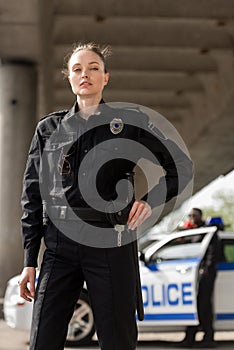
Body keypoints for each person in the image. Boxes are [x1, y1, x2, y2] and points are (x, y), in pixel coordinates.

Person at [18, 42, 193, 350]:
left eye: (93, 68)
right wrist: (29, 261)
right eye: (77, 69)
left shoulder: (130, 123)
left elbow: (181, 165)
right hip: (59, 246)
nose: (85, 75)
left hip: (111, 243)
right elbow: (32, 194)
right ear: (69, 78)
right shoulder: (49, 129)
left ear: (106, 77)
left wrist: (149, 201)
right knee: (42, 341)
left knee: (118, 342)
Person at [179, 208, 219, 348]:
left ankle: (208, 337)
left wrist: (207, 269)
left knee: (204, 306)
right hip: (191, 274)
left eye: (194, 215)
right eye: (190, 215)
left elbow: (212, 252)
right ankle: (190, 338)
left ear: (200, 216)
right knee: (191, 306)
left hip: (204, 274)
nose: (191, 217)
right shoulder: (192, 232)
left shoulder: (207, 231)